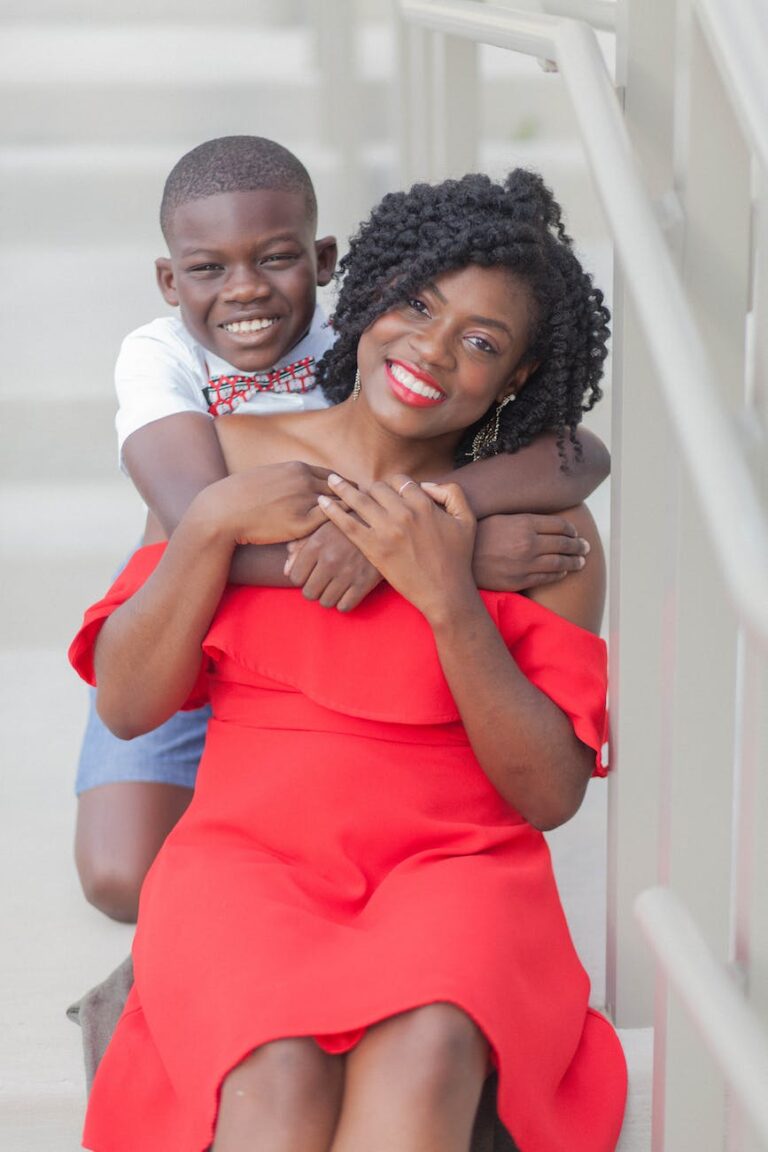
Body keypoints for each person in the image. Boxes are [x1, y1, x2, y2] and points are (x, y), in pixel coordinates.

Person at [70, 168, 626, 1152]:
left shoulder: (548, 532)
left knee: (432, 1048)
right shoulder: (226, 461)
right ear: (367, 299)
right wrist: (205, 532)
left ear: (518, 379)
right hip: (248, 854)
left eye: (481, 342)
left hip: (457, 862)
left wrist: (449, 594)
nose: (430, 349)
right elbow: (128, 705)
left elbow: (548, 795)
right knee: (269, 1073)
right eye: (417, 306)